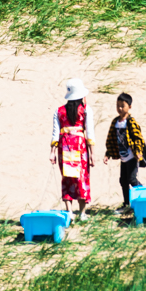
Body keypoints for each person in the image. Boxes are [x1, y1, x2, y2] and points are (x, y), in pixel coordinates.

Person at [50, 78, 94, 217]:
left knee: (67, 177)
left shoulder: (59, 111)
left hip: (65, 146)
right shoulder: (86, 110)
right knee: (81, 177)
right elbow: (90, 133)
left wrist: (52, 152)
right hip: (80, 147)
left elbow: (55, 133)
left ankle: (69, 211)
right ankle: (82, 212)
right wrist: (92, 153)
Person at [104, 92, 146, 214]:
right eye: (118, 105)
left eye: (122, 105)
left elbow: (138, 138)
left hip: (132, 157)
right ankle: (127, 204)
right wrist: (108, 154)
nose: (119, 108)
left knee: (132, 179)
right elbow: (111, 139)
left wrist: (138, 151)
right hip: (123, 157)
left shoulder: (131, 121)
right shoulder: (115, 122)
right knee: (123, 180)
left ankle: (144, 198)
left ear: (129, 106)